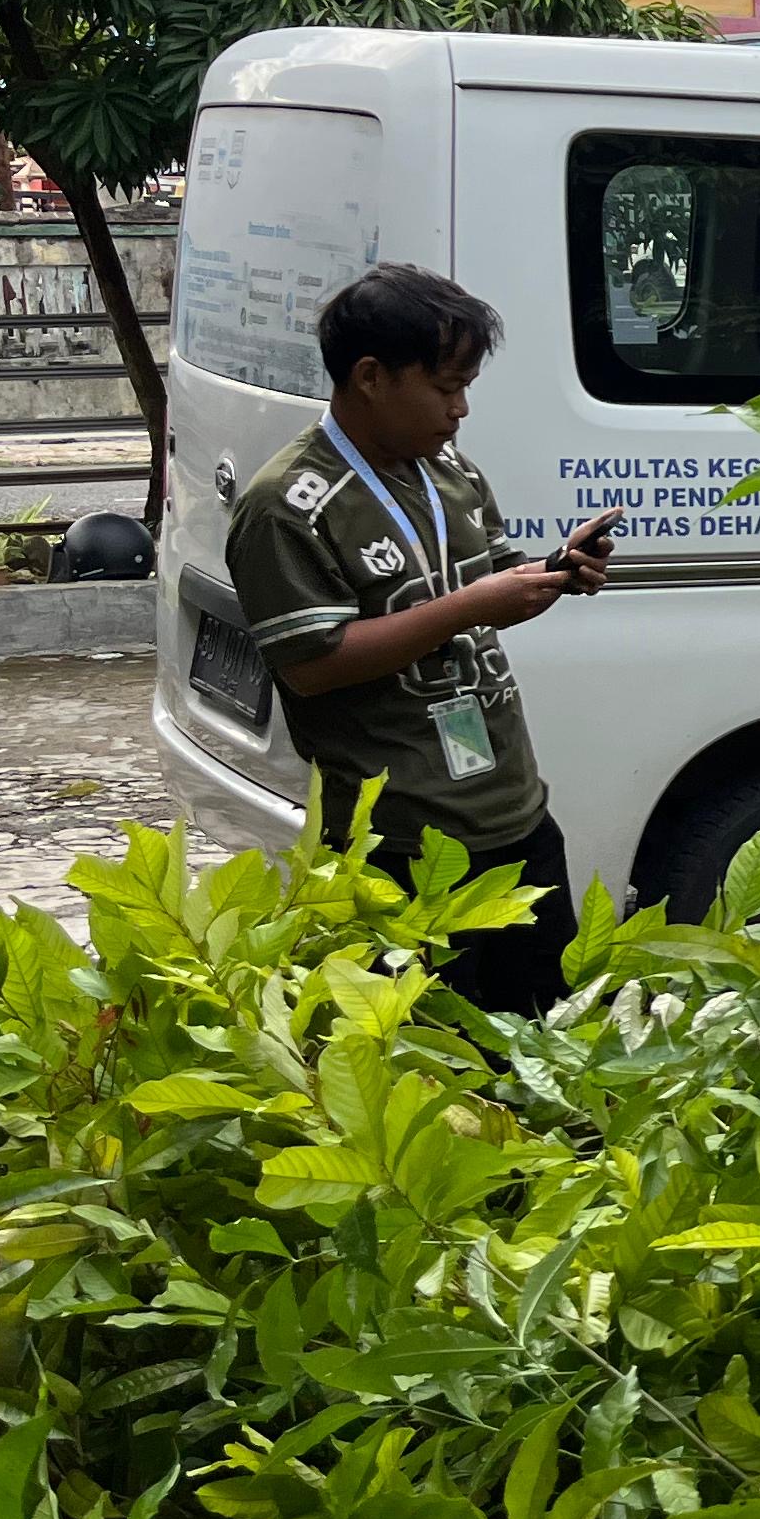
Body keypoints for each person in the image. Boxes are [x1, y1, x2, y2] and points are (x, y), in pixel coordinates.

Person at [226, 265, 617, 1016]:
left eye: (465, 387)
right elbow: (311, 668)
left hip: (515, 813)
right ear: (370, 377)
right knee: (434, 1053)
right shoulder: (286, 507)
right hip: (400, 842)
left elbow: (489, 590)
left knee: (551, 1037)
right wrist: (469, 606)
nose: (460, 408)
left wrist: (551, 575)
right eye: (445, 387)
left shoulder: (449, 470)